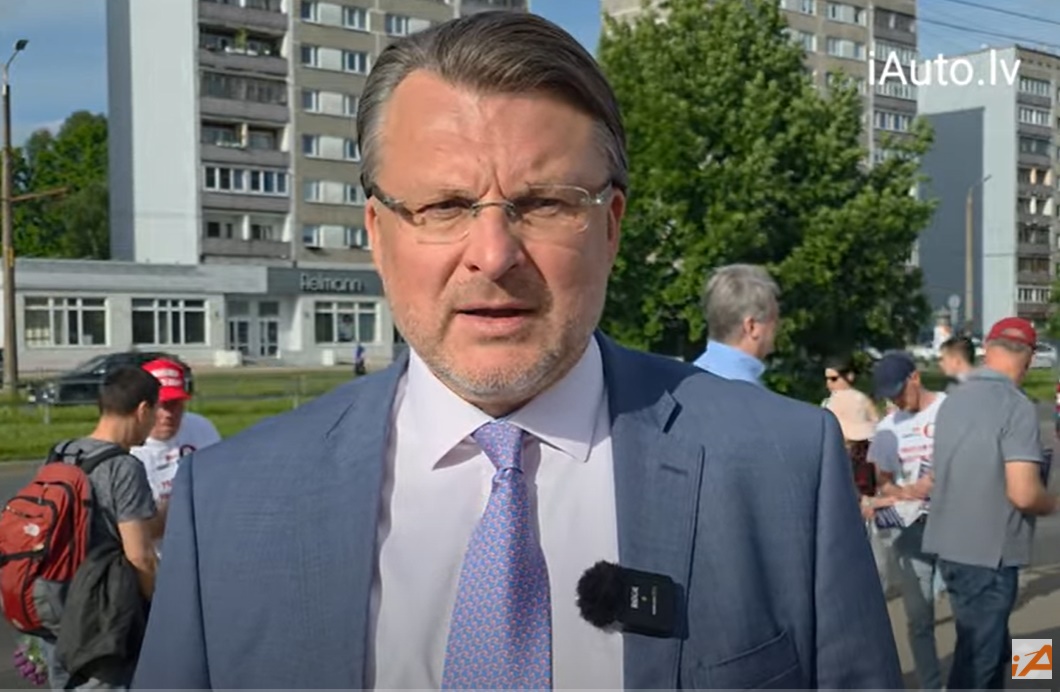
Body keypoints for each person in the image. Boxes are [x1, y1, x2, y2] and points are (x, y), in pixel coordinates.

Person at [133, 12, 901, 690]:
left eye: (543, 204)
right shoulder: (229, 502)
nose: (494, 255)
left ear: (611, 226)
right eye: (443, 206)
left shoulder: (784, 470)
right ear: (377, 233)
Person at [923, 317, 1059, 690]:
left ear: (988, 349)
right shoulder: (1016, 406)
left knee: (987, 646)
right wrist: (1052, 502)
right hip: (990, 554)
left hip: (950, 548)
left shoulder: (952, 401)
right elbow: (1024, 493)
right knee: (979, 663)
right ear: (1029, 358)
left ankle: (1033, 678)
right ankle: (1035, 680)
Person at [44, 366, 161, 690]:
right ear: (143, 409)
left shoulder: (61, 452)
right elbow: (140, 556)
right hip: (99, 616)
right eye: (156, 411)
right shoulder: (123, 467)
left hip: (55, 601)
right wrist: (158, 608)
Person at [867, 351, 945, 690]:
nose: (896, 400)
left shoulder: (953, 410)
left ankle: (1032, 678)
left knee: (988, 615)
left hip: (967, 527)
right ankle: (933, 687)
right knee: (919, 617)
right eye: (890, 396)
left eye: (899, 391)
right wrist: (905, 492)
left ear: (915, 377)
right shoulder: (888, 428)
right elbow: (884, 482)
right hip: (913, 529)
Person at [131, 359, 221, 506]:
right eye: (161, 405)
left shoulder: (202, 428)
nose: (168, 414)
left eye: (175, 404)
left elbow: (219, 481)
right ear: (144, 407)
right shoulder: (130, 446)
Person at [692, 264, 779, 385]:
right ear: (751, 327)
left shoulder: (685, 381)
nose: (777, 328)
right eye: (773, 320)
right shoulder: (749, 392)